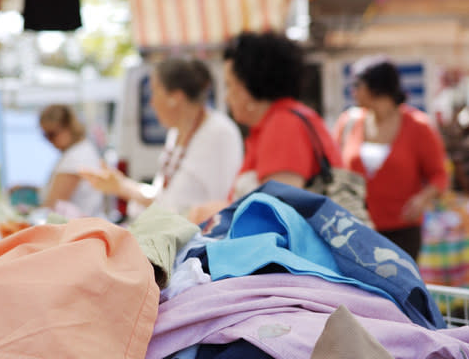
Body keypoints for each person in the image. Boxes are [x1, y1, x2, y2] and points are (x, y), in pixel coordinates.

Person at [189, 31, 343, 223]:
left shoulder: (283, 125)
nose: (227, 97)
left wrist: (215, 212)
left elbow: (278, 213)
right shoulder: (287, 118)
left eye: (230, 86)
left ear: (250, 87)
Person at [81, 58, 243, 218]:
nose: (152, 102)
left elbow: (179, 207)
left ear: (176, 97)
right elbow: (165, 197)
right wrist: (121, 186)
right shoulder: (177, 133)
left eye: (154, 92)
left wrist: (124, 187)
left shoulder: (218, 133)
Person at [334, 57, 448, 260]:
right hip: (354, 228)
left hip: (401, 231)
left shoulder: (418, 126)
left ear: (376, 87)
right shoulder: (348, 122)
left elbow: (439, 176)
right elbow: (333, 168)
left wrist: (422, 199)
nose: (353, 91)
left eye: (357, 85)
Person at [39, 104, 105, 217]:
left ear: (68, 127)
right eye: (45, 135)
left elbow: (51, 205)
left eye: (52, 134)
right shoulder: (83, 149)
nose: (49, 140)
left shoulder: (75, 159)